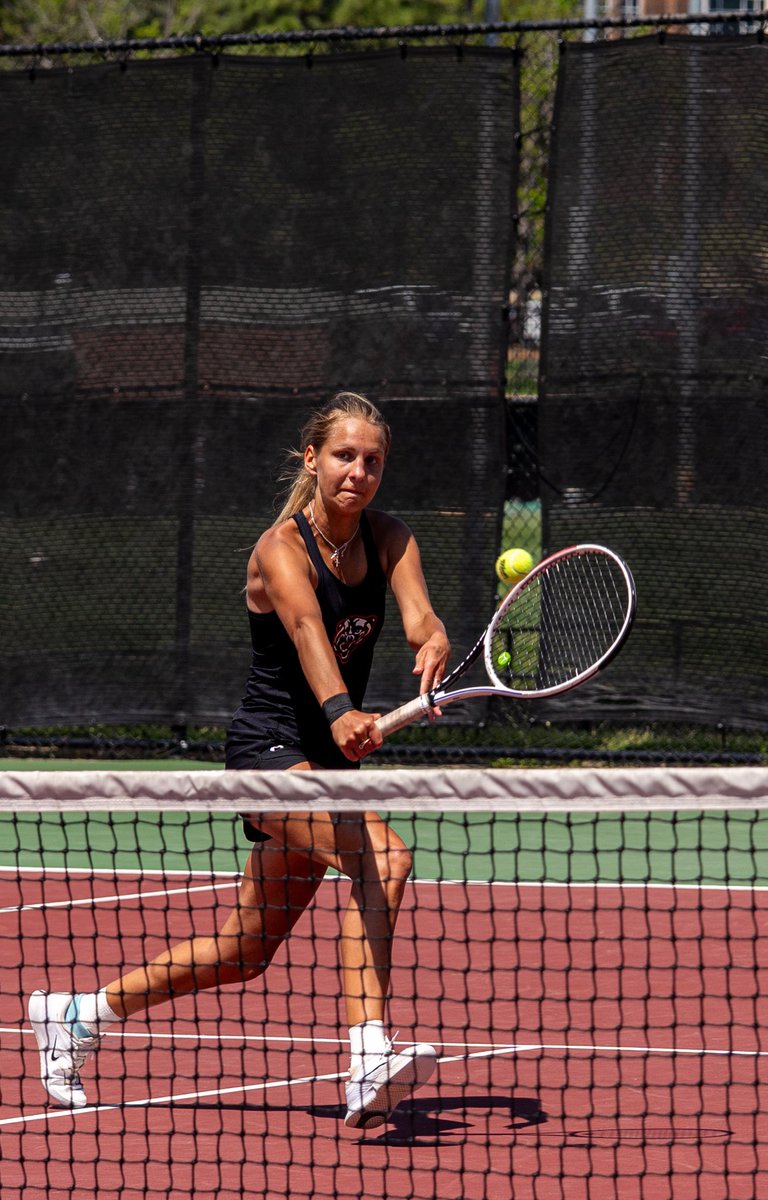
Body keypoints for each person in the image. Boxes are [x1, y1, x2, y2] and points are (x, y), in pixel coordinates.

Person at [29, 391, 451, 1130]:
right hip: (268, 755)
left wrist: (432, 640)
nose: (359, 470)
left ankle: (74, 1014)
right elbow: (308, 635)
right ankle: (367, 1053)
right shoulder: (278, 550)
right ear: (313, 459)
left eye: (373, 460)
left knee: (246, 949)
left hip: (327, 766)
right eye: (345, 455)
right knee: (383, 860)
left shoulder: (390, 537)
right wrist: (339, 713)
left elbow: (420, 616)